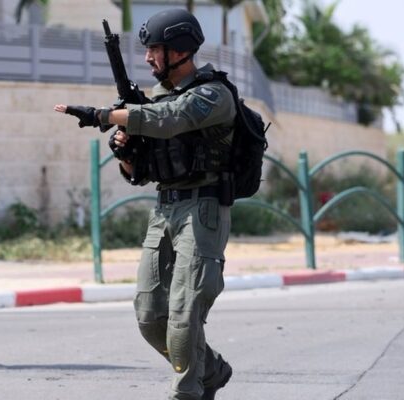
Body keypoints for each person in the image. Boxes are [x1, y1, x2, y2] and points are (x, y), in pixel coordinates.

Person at [55, 9, 235, 400]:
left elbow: (171, 118)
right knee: (151, 316)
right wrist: (125, 150)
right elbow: (138, 173)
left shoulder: (213, 94)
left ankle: (186, 392)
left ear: (180, 50)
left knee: (184, 315)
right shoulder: (156, 100)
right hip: (165, 208)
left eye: (155, 49)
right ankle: (211, 370)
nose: (148, 57)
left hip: (203, 209)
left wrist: (104, 115)